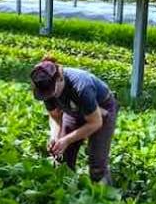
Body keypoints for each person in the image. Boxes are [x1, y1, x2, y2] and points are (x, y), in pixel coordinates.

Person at [30, 56, 118, 184]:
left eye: (52, 92)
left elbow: (95, 122)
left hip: (101, 111)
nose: (49, 96)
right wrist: (55, 137)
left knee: (97, 165)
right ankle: (67, 194)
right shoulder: (46, 86)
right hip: (73, 110)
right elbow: (55, 116)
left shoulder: (81, 87)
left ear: (60, 78)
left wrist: (66, 139)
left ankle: (107, 199)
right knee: (62, 158)